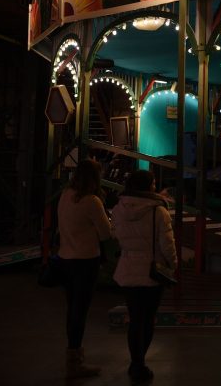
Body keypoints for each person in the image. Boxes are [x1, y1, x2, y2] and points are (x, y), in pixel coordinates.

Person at [112, 170, 178, 385]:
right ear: (148, 186)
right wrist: (173, 265)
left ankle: (135, 361)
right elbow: (167, 245)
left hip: (127, 267)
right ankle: (139, 364)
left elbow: (117, 235)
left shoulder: (119, 208)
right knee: (147, 319)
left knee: (135, 319)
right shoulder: (159, 211)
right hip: (152, 270)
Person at [56, 159, 112, 379]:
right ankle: (74, 361)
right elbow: (106, 233)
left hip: (65, 258)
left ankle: (73, 355)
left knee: (72, 309)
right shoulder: (91, 201)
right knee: (81, 310)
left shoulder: (65, 196)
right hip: (85, 262)